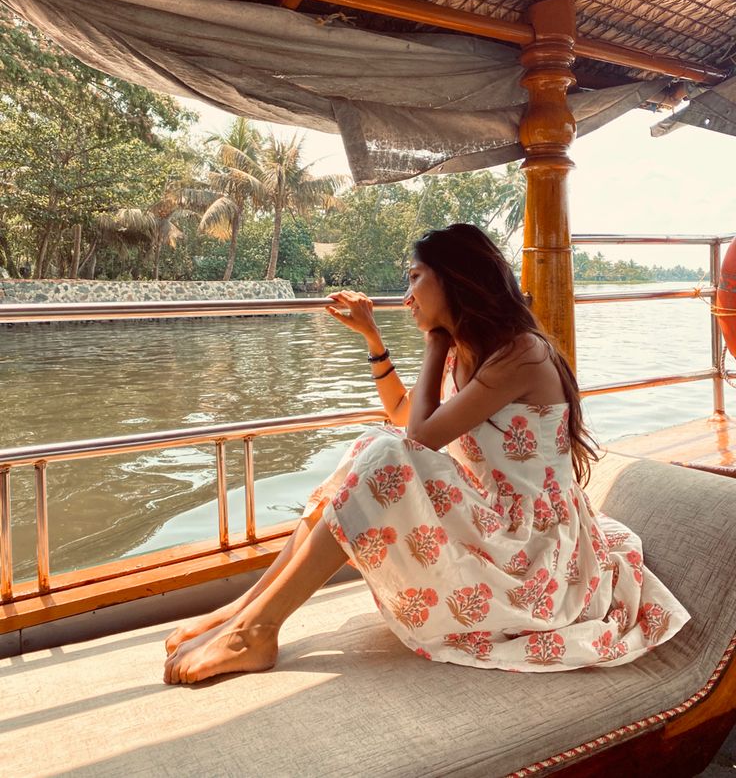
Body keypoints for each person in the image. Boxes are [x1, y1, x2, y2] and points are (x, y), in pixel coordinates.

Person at [163, 224, 689, 684]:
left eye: (415, 278)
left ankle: (256, 630)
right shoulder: (471, 350)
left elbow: (415, 441)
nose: (406, 295)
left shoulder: (518, 353)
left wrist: (434, 346)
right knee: (371, 448)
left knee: (382, 453)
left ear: (456, 279)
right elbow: (403, 417)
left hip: (534, 552)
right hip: (498, 523)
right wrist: (374, 336)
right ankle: (245, 610)